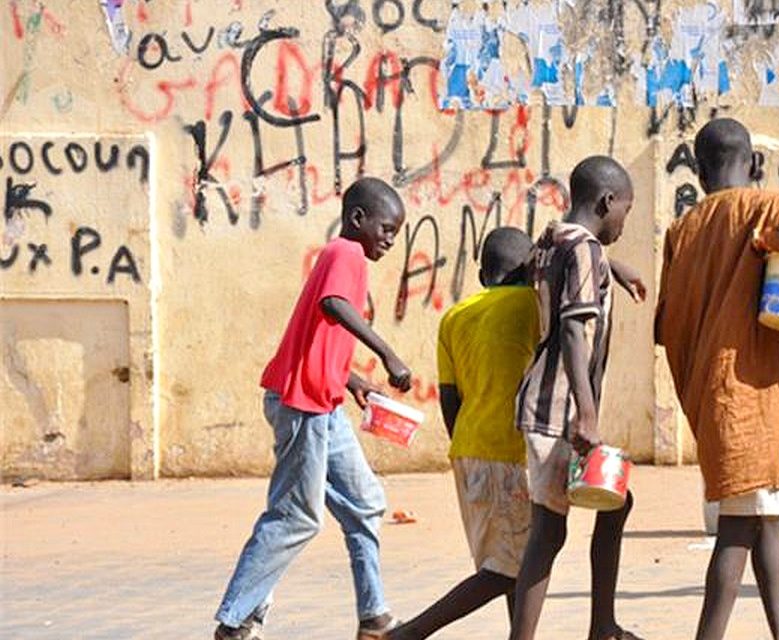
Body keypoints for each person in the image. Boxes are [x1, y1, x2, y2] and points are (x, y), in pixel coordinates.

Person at [655, 118, 779, 640]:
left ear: (700, 173)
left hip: (713, 390)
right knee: (737, 529)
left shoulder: (682, 230)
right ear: (752, 164)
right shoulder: (762, 207)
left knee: (767, 522)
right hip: (743, 390)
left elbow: (664, 323)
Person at [214, 177, 412, 640]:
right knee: (295, 516)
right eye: (386, 229)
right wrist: (387, 354)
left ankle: (374, 616)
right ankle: (235, 620)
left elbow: (317, 335)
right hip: (302, 405)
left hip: (323, 403)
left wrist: (353, 380)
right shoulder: (346, 253)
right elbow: (333, 304)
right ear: (358, 219)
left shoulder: (341, 256)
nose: (389, 240)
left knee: (365, 503)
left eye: (396, 233)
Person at [509, 156, 643, 640]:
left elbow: (553, 262)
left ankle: (603, 626)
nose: (624, 222)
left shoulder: (554, 239)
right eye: (625, 210)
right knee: (548, 533)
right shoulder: (584, 249)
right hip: (559, 409)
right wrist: (587, 415)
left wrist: (613, 266)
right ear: (607, 202)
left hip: (547, 406)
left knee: (616, 504)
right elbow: (572, 330)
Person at [388, 228, 540, 639]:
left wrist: (466, 445)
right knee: (506, 569)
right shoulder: (533, 305)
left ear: (482, 275)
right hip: (511, 451)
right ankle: (409, 634)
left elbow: (450, 398)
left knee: (511, 559)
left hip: (469, 448)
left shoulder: (455, 317)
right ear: (531, 270)